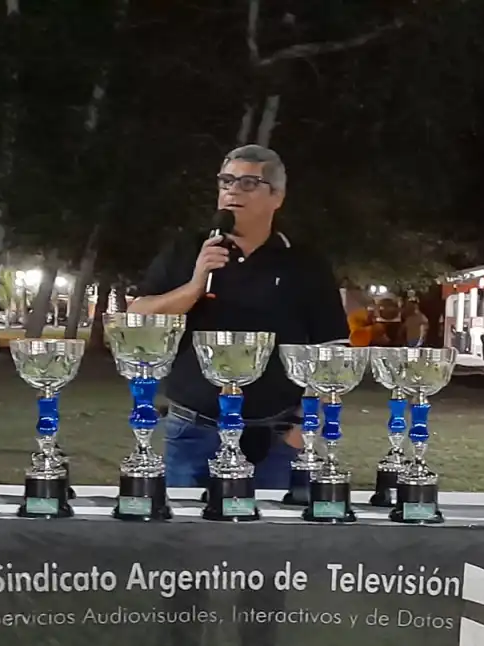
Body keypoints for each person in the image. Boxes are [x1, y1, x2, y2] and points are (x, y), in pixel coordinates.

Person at [128, 144, 349, 489]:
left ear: (277, 196)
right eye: (226, 181)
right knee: (184, 538)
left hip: (275, 437)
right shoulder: (189, 250)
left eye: (247, 183)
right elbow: (136, 317)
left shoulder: (303, 263)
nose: (232, 190)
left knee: (271, 541)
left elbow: (333, 348)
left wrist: (305, 427)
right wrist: (194, 286)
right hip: (192, 431)